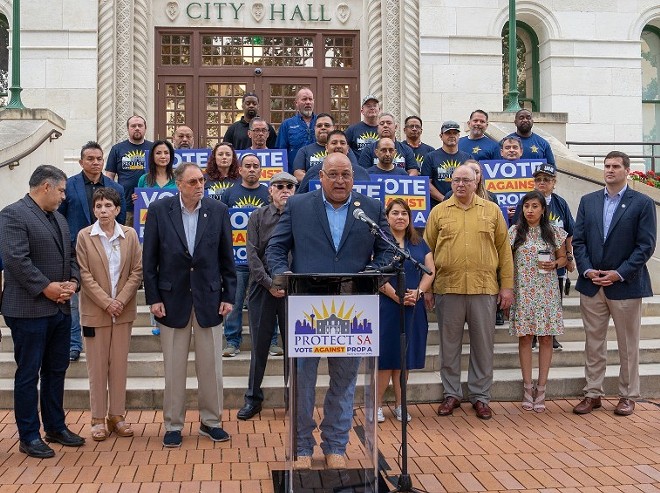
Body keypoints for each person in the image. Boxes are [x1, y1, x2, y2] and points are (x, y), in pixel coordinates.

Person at [266, 153, 392, 470]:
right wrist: (283, 276)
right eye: (333, 174)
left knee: (345, 382)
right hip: (306, 307)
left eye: (345, 174)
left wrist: (373, 274)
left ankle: (336, 444)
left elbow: (389, 250)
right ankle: (302, 448)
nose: (339, 181)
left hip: (354, 308)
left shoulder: (371, 209)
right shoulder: (298, 206)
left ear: (354, 176)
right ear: (321, 177)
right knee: (303, 383)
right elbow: (276, 248)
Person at [142, 162, 237, 447]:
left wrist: (228, 296)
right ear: (179, 184)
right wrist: (154, 298)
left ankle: (211, 422)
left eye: (202, 182)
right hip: (172, 300)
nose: (199, 186)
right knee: (173, 368)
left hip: (210, 299)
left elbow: (227, 258)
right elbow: (150, 261)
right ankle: (173, 424)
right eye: (193, 182)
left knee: (212, 367)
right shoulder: (160, 211)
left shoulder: (218, 210)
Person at [0, 165, 85, 458]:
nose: (64, 196)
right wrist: (46, 287)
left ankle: (55, 426)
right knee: (28, 374)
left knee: (55, 371)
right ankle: (28, 435)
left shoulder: (59, 219)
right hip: (28, 310)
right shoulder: (13, 214)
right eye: (61, 190)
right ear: (46, 187)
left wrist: (73, 282)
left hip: (60, 310)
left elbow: (71, 255)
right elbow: (16, 260)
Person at [424, 164, 514, 420]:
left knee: (483, 346)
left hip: (483, 288)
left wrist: (507, 286)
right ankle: (451, 394)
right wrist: (427, 288)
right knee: (449, 346)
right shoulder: (438, 212)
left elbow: (504, 252)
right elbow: (427, 252)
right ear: (450, 183)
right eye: (456, 181)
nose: (460, 185)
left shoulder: (492, 211)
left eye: (466, 180)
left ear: (476, 182)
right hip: (447, 288)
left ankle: (480, 396)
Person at [572, 151, 657, 417]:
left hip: (625, 285)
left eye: (616, 166)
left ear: (627, 170)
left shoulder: (642, 203)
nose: (610, 170)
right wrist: (586, 270)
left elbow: (645, 246)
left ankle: (628, 396)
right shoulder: (588, 201)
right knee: (593, 343)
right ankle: (592, 394)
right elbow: (579, 241)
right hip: (592, 284)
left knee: (627, 345)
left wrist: (618, 273)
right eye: (607, 166)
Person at [76, 187, 142, 441]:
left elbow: (137, 270)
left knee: (119, 366)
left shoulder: (130, 234)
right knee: (96, 368)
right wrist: (107, 302)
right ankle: (97, 418)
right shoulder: (85, 236)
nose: (103, 210)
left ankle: (117, 415)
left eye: (108, 206)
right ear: (93, 210)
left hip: (123, 312)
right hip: (96, 312)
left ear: (117, 209)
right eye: (98, 206)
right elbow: (84, 274)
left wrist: (121, 300)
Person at [237, 172, 298, 420]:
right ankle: (253, 399)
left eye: (290, 186)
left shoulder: (301, 217)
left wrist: (288, 283)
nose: (285, 190)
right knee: (259, 348)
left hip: (293, 291)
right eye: (279, 186)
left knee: (294, 349)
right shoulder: (257, 216)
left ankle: (293, 400)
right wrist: (270, 283)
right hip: (262, 289)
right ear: (270, 191)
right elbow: (251, 255)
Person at [58, 141, 126, 362]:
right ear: (81, 161)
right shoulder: (68, 186)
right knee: (75, 300)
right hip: (75, 251)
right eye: (90, 158)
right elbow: (60, 218)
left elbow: (122, 220)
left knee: (105, 293)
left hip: (108, 251)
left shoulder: (116, 188)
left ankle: (105, 342)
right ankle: (75, 344)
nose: (95, 162)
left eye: (99, 159)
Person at [508, 190, 567, 413]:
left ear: (543, 210)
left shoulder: (554, 232)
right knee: (525, 339)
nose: (530, 210)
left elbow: (563, 257)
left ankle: (541, 389)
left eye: (534, 206)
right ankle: (526, 388)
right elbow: (506, 261)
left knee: (545, 340)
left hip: (547, 293)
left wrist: (556, 264)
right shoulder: (514, 232)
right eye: (527, 206)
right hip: (523, 292)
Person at [377, 198, 434, 423]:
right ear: (387, 217)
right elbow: (376, 273)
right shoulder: (379, 242)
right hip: (387, 306)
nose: (400, 217)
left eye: (404, 213)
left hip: (413, 306)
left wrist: (418, 293)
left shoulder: (419, 243)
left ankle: (401, 405)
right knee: (385, 358)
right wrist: (396, 295)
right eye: (395, 213)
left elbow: (431, 271)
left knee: (405, 358)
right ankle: (377, 405)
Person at [512, 162, 576, 350]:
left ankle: (551, 335)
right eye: (538, 179)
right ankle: (530, 335)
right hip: (528, 269)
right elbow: (517, 231)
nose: (542, 183)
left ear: (554, 182)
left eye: (546, 179)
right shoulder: (525, 203)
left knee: (554, 301)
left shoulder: (560, 203)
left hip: (554, 264)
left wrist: (569, 257)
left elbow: (569, 232)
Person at [221, 153, 274, 357]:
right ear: (240, 170)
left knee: (268, 304)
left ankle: (272, 341)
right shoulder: (229, 193)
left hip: (264, 260)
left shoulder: (268, 192)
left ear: (261, 170)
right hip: (237, 258)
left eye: (255, 166)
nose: (252, 169)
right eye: (248, 166)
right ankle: (232, 342)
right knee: (234, 302)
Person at [104, 115, 153, 226]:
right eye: (133, 126)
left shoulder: (154, 148)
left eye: (140, 125)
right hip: (125, 206)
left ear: (145, 128)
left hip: (149, 204)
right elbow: (109, 177)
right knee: (125, 239)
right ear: (128, 129)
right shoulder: (117, 149)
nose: (137, 128)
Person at [297, 130, 371, 194]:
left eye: (342, 143)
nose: (338, 146)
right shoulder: (313, 172)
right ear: (326, 147)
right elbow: (300, 199)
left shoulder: (362, 172)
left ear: (348, 148)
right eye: (334, 143)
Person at [291, 113, 358, 181]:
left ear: (334, 128)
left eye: (327, 125)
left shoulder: (343, 149)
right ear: (314, 129)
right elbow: (298, 174)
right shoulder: (304, 151)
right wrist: (321, 181)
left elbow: (355, 171)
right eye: (319, 126)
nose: (323, 128)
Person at [421, 120, 473, 206]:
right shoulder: (430, 157)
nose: (452, 136)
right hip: (438, 205)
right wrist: (444, 199)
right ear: (441, 136)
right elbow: (426, 184)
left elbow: (473, 182)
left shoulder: (468, 158)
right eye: (448, 133)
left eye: (455, 133)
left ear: (459, 136)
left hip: (463, 205)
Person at [275, 87, 317, 164]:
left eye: (310, 99)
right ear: (296, 103)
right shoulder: (287, 124)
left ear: (313, 101)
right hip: (294, 173)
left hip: (318, 173)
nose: (308, 102)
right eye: (304, 99)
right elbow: (280, 152)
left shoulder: (321, 123)